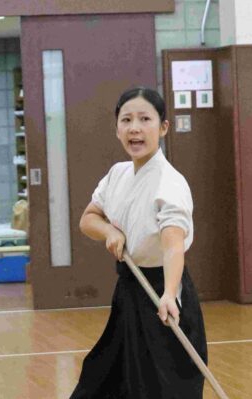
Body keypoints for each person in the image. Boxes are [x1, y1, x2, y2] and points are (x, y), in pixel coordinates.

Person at [70, 87, 207, 398]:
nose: (135, 128)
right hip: (130, 292)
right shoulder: (117, 174)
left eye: (145, 119)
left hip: (163, 295)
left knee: (162, 387)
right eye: (126, 119)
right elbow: (88, 219)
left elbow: (173, 246)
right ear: (117, 128)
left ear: (163, 127)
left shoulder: (170, 183)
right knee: (101, 380)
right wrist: (110, 232)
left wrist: (170, 294)